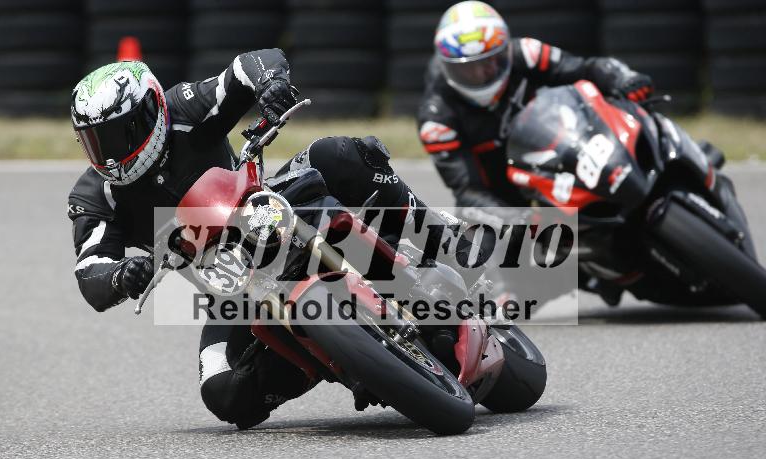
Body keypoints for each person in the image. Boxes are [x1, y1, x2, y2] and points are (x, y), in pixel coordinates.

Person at [67, 52, 469, 430]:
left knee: (338, 154)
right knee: (222, 392)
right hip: (230, 288)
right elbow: (90, 271)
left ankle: (434, 229)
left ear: (152, 111)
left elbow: (250, 64)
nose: (108, 155)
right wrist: (121, 276)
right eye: (95, 141)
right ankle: (333, 359)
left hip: (265, 208)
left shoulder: (184, 108)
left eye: (119, 134)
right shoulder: (94, 196)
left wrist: (271, 85)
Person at [417, 1, 655, 211]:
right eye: (468, 69)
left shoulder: (528, 54)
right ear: (448, 67)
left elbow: (586, 69)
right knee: (483, 252)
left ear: (504, 51)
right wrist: (513, 219)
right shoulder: (436, 121)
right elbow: (468, 190)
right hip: (503, 196)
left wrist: (623, 77)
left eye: (489, 62)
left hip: (568, 157)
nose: (481, 74)